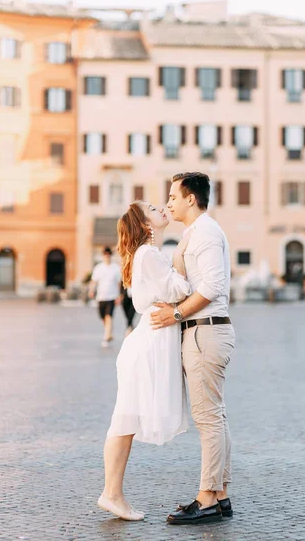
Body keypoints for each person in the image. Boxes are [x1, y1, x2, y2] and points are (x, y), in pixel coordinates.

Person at [97, 201, 192, 521]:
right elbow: (180, 288)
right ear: (146, 225)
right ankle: (111, 494)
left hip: (147, 341)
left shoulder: (148, 255)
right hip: (148, 344)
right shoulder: (150, 255)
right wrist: (182, 264)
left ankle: (113, 493)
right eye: (153, 208)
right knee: (123, 420)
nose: (162, 207)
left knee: (124, 420)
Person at [151, 172, 236, 526]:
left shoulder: (204, 232)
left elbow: (213, 286)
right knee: (215, 415)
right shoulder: (196, 232)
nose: (169, 202)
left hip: (205, 332)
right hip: (204, 332)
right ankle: (220, 495)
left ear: (191, 199)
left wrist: (175, 314)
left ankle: (206, 498)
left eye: (173, 196)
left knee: (207, 418)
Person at [89, 247, 122, 348]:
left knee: (109, 316)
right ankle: (109, 332)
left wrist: (119, 295)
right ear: (103, 256)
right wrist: (91, 290)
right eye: (105, 255)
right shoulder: (98, 268)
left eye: (108, 255)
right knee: (103, 317)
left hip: (111, 296)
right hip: (101, 297)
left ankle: (106, 336)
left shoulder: (115, 268)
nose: (107, 257)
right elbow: (94, 281)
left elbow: (119, 283)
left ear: (111, 256)